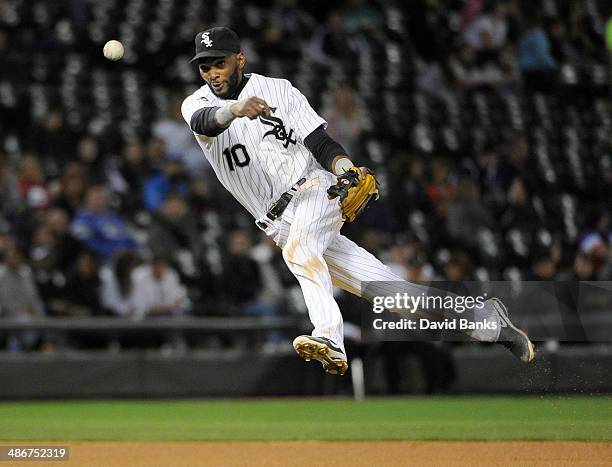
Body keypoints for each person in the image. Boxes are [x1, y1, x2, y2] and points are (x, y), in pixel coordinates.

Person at [181, 27, 535, 375]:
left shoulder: (279, 90)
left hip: (315, 190)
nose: (212, 73)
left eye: (220, 63)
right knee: (395, 296)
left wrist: (347, 169)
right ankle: (485, 321)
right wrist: (236, 109)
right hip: (277, 223)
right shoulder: (197, 103)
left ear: (239, 59)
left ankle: (328, 337)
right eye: (205, 66)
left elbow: (320, 143)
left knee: (300, 250)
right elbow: (205, 123)